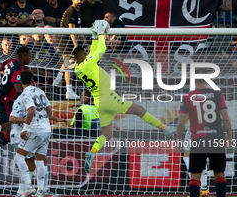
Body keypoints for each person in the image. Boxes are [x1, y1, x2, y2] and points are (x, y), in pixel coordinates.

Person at [73, 20, 174, 173]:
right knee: (140, 110)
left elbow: (94, 52)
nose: (88, 54)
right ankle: (165, 129)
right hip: (109, 98)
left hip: (99, 102)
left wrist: (94, 36)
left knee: (107, 134)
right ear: (83, 56)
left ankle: (92, 152)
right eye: (86, 53)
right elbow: (101, 49)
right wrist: (101, 35)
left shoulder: (79, 68)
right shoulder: (88, 63)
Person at [176, 68, 231, 197]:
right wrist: (229, 136)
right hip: (216, 138)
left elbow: (180, 122)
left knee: (194, 176)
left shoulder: (187, 97)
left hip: (197, 140)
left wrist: (179, 139)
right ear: (207, 79)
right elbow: (225, 118)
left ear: (193, 80)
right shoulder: (218, 94)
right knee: (219, 174)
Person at [9, 83, 64, 197]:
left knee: (42, 160)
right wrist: (28, 120)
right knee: (30, 162)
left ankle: (40, 190)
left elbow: (43, 113)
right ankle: (27, 191)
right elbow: (12, 118)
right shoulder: (21, 99)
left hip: (32, 131)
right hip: (19, 135)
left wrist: (55, 118)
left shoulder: (33, 97)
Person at [0, 46, 32, 153]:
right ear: (22, 56)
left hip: (4, 99)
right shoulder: (18, 70)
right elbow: (17, 89)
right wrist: (30, 97)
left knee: (14, 130)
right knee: (9, 132)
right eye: (29, 56)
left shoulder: (10, 61)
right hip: (3, 101)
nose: (31, 58)